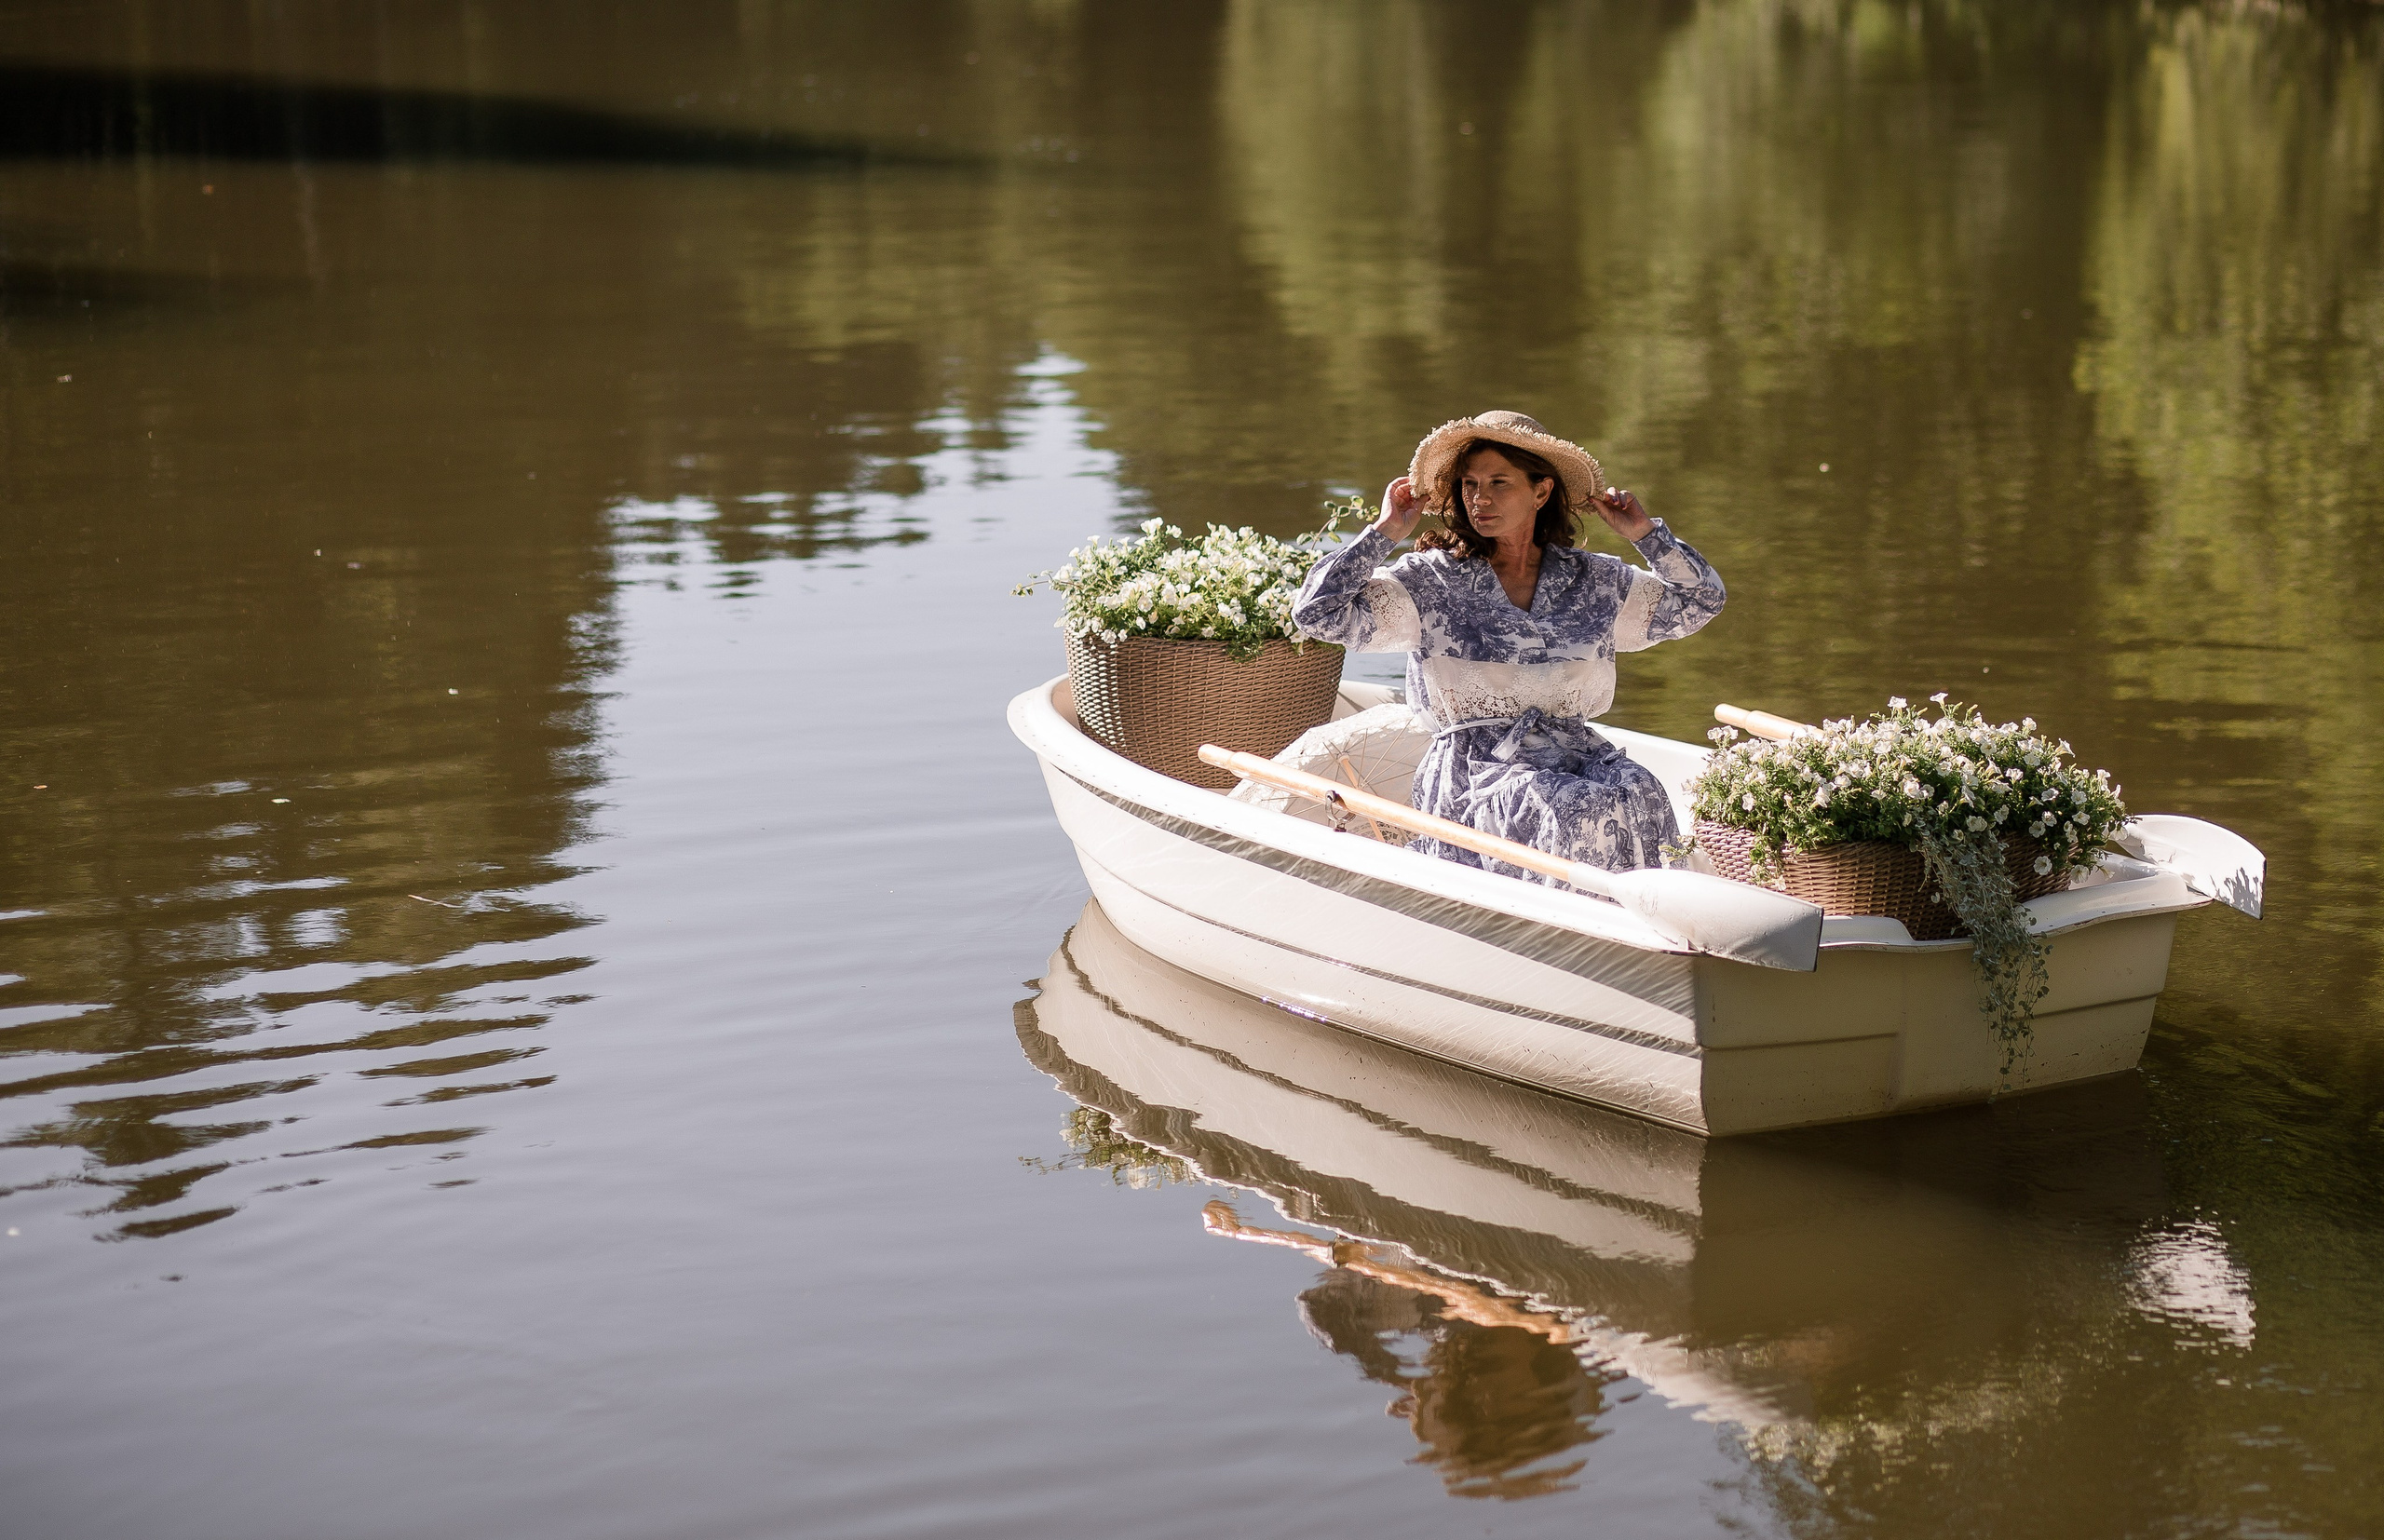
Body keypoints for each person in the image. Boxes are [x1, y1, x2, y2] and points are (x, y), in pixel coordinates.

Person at [1291, 410, 1725, 878]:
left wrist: (1646, 535)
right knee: (1568, 807)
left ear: (1542, 491)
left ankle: (1639, 930)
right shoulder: (1430, 582)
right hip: (1477, 770)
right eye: (1470, 484)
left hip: (1576, 755)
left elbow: (1701, 600)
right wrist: (1386, 532)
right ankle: (1565, 929)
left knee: (1641, 789)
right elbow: (1318, 613)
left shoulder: (1596, 581)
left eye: (1500, 482)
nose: (1480, 499)